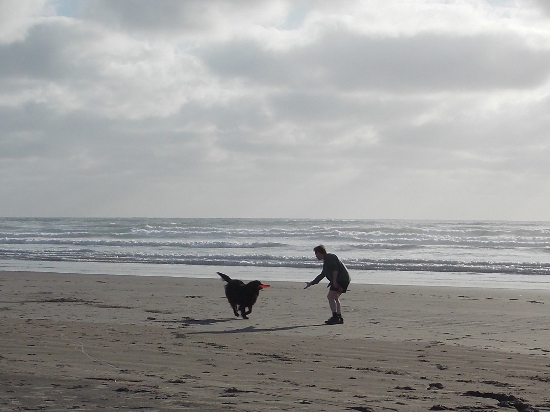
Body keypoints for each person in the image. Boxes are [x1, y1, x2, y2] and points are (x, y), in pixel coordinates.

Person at [304, 245, 350, 325]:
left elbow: (335, 269)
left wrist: (334, 281)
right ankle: (339, 317)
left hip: (340, 279)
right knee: (335, 297)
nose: (316, 256)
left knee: (330, 297)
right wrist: (312, 283)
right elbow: (323, 274)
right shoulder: (327, 260)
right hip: (345, 279)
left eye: (316, 254)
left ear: (319, 252)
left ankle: (335, 317)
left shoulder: (329, 257)